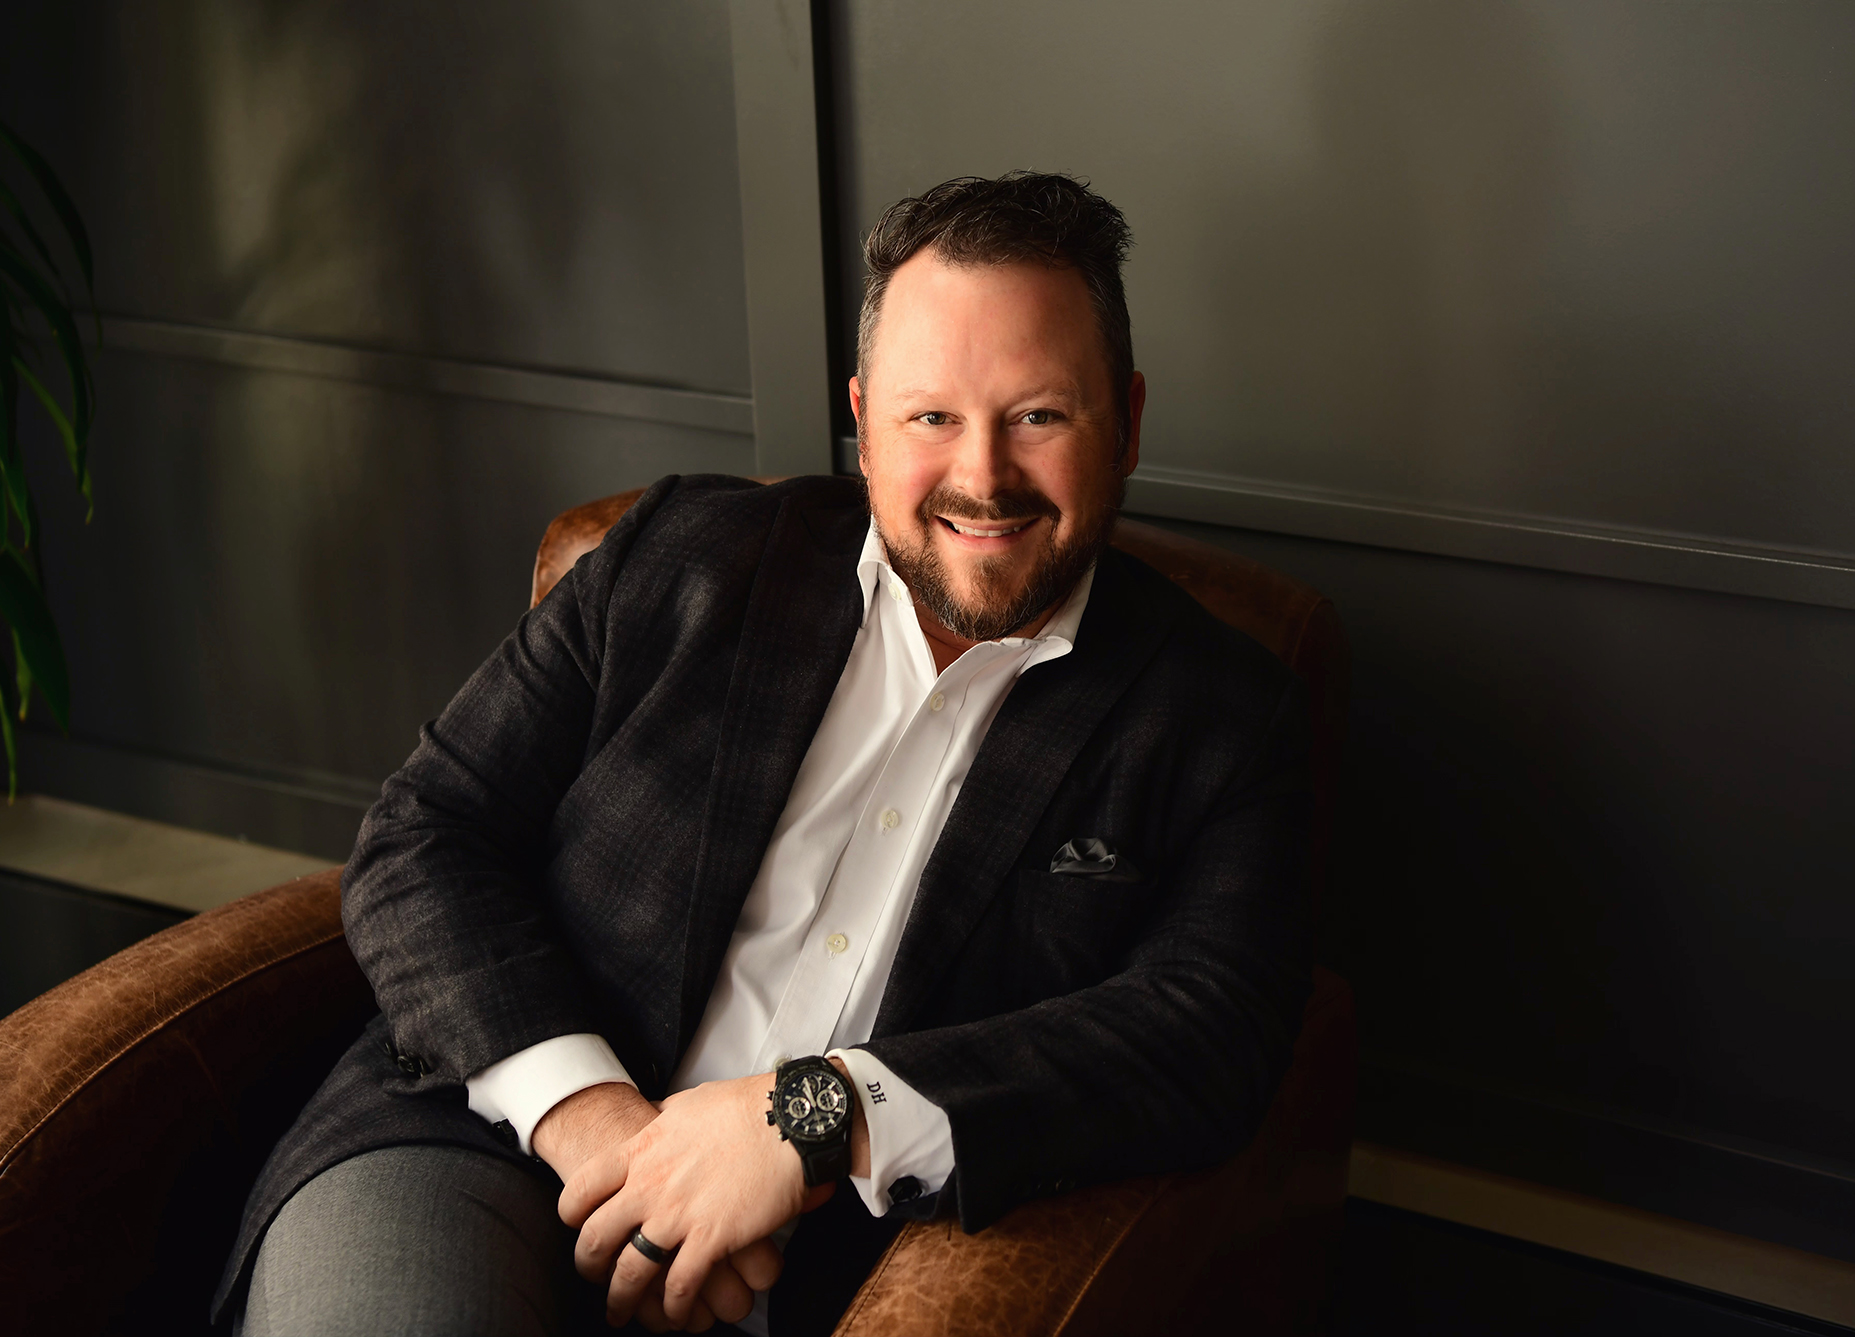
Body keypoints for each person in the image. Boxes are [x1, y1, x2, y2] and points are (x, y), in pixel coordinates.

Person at [220, 172, 1312, 1337]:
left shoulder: (1221, 713)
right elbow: (423, 831)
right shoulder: (681, 556)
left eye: (1038, 414)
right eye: (928, 416)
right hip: (483, 1139)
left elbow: (1204, 1029)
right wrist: (603, 1131)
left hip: (826, 1266)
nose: (981, 475)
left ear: (1127, 419)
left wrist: (816, 1113)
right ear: (860, 417)